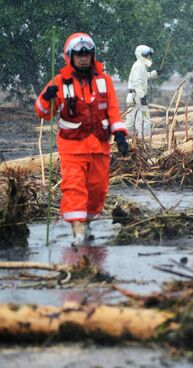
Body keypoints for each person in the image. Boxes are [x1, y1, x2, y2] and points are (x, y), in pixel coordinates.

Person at [34, 32, 128, 246]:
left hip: (99, 146)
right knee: (74, 188)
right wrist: (46, 98)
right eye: (79, 54)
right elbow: (42, 112)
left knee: (97, 189)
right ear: (70, 57)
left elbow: (113, 109)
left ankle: (86, 223)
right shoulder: (60, 82)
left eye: (87, 54)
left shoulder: (103, 80)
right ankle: (77, 232)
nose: (84, 58)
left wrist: (120, 135)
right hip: (72, 147)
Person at [125, 45, 159, 139]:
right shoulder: (139, 66)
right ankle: (144, 140)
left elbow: (144, 76)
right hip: (137, 98)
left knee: (130, 121)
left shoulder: (140, 66)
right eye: (148, 55)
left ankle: (118, 139)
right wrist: (142, 96)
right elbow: (137, 83)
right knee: (144, 119)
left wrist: (155, 73)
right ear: (142, 55)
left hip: (134, 97)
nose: (149, 58)